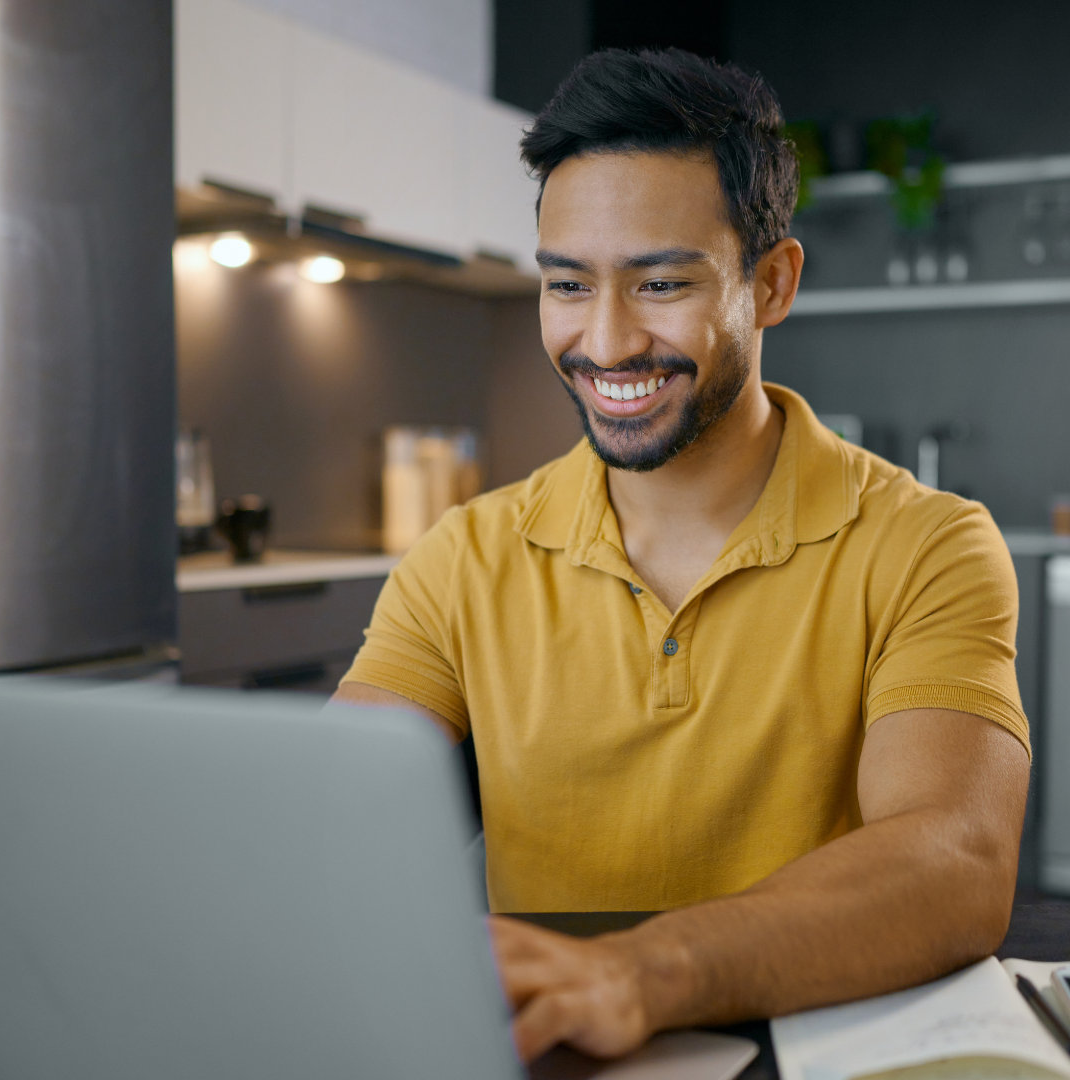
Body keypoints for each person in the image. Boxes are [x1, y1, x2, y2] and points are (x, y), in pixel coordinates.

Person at [333, 47, 1030, 1064]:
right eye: (568, 284)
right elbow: (330, 831)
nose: (606, 343)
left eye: (660, 283)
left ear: (773, 283)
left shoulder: (929, 544)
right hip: (567, 1053)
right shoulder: (463, 557)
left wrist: (645, 973)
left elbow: (956, 860)